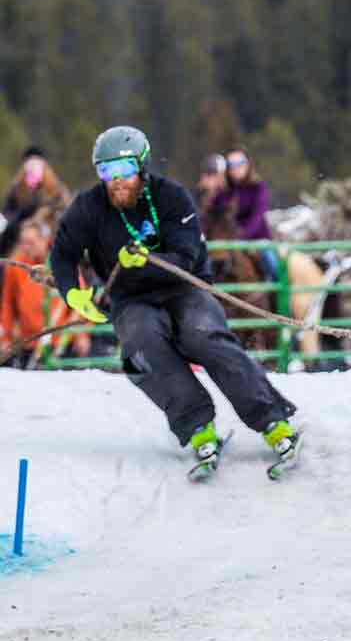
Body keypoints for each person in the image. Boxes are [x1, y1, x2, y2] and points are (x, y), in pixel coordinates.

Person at [49, 126, 299, 468]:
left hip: (184, 287)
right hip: (130, 300)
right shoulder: (88, 207)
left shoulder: (172, 197)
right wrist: (73, 293)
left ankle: (272, 419)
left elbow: (186, 256)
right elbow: (62, 254)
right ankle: (197, 427)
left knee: (203, 336)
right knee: (141, 347)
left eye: (124, 170)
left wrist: (147, 261)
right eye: (106, 171)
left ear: (142, 166)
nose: (116, 180)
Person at [0, 219, 90, 368]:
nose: (26, 247)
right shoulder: (15, 266)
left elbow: (83, 303)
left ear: (44, 241)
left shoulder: (62, 264)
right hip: (27, 342)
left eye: (30, 242)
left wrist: (82, 334)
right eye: (23, 242)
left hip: (59, 342)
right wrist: (5, 337)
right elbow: (7, 304)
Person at [211, 146, 280, 282]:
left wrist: (242, 236)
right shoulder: (223, 192)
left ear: (248, 164)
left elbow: (258, 217)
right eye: (231, 165)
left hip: (256, 239)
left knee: (272, 263)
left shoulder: (258, 188)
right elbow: (212, 216)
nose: (236, 168)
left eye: (240, 163)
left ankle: (280, 297)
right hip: (227, 241)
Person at [0, 146, 71, 258]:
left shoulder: (55, 188)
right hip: (20, 235)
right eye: (30, 164)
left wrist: (45, 217)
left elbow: (65, 210)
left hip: (47, 234)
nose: (33, 167)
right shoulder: (17, 188)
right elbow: (7, 212)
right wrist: (18, 222)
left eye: (36, 164)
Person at [194, 153, 228, 235]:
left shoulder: (228, 197)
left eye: (215, 174)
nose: (212, 179)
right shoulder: (195, 196)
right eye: (209, 174)